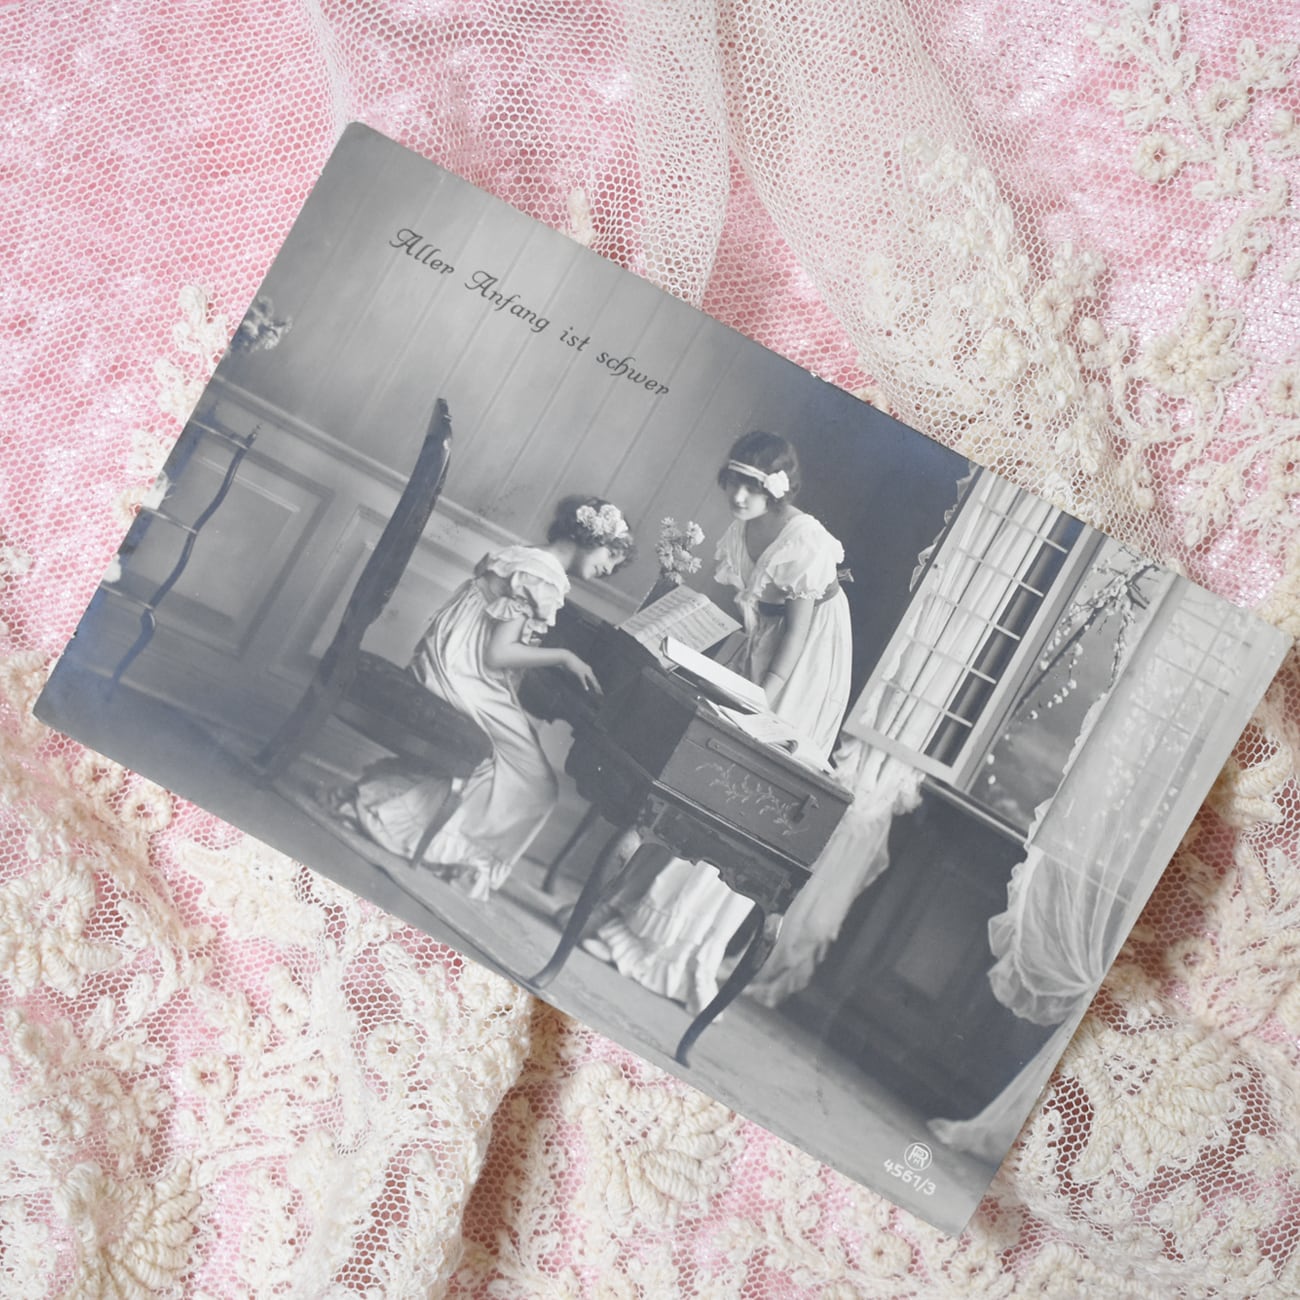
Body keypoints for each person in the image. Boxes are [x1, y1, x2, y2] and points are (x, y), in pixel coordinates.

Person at [592, 431, 853, 1014]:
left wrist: (760, 702)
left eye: (751, 487)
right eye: (733, 482)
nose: (737, 496)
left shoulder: (804, 541)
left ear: (777, 488)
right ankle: (627, 908)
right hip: (765, 642)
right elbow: (757, 614)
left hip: (805, 662)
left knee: (745, 778)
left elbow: (797, 636)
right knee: (698, 762)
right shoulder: (742, 531)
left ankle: (677, 942)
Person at [342, 495, 634, 900]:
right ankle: (413, 834)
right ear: (591, 537)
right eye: (611, 555)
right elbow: (497, 654)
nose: (610, 569)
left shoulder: (528, 557)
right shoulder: (543, 576)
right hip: (461, 672)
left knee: (511, 762)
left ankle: (411, 825)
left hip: (449, 657)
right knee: (538, 787)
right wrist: (565, 658)